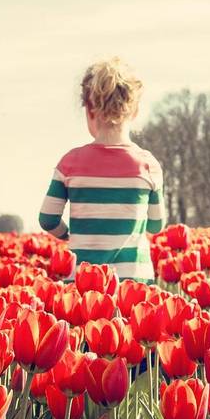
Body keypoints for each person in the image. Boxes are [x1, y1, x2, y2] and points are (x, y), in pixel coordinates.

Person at [38, 57, 166, 282]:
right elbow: (156, 225)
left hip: (83, 280)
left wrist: (70, 235)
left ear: (89, 110)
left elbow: (47, 219)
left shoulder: (70, 163)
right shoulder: (147, 165)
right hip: (133, 279)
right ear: (135, 112)